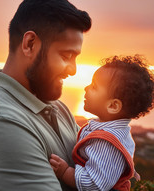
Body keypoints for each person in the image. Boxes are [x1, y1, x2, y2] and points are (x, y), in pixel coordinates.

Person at [0, 0, 91, 191]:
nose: (73, 70)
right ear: (30, 44)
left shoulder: (59, 110)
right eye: (66, 55)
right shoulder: (3, 124)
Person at [50, 55, 154, 191]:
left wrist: (64, 172)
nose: (86, 88)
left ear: (113, 106)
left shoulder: (105, 142)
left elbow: (94, 185)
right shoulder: (120, 133)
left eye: (94, 86)